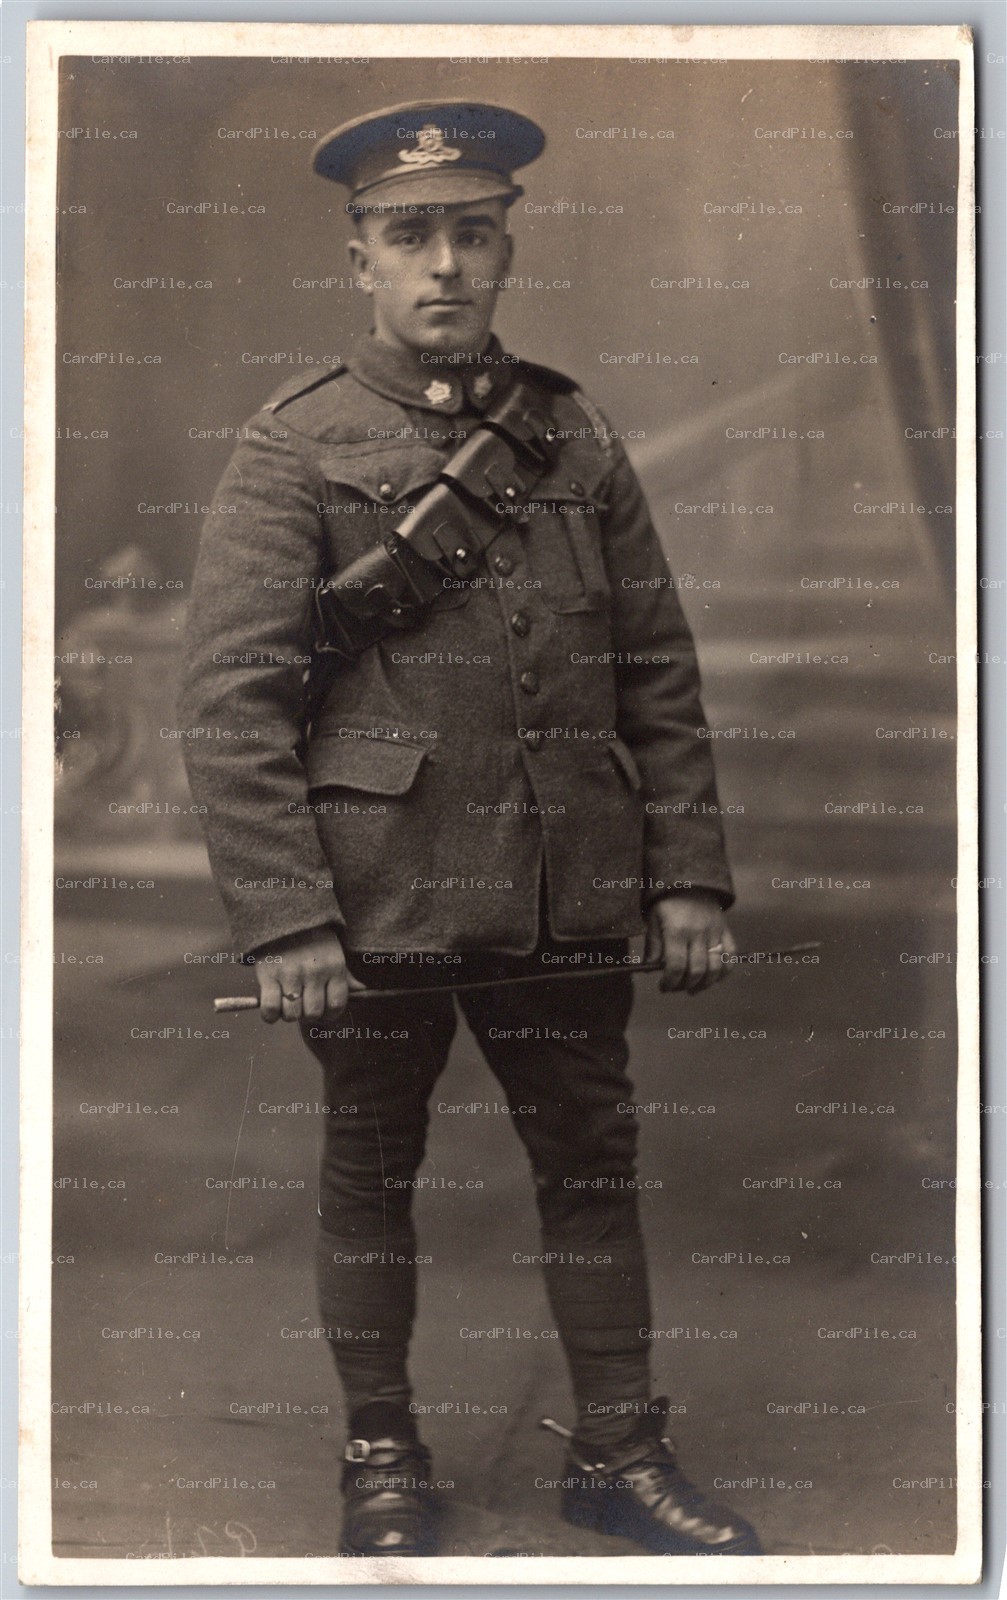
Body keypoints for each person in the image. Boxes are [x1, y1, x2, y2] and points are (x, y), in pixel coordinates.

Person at [180, 98, 761, 1559]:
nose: (444, 264)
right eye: (409, 235)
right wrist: (288, 917)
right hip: (374, 902)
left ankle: (618, 1453)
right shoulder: (294, 444)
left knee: (593, 1159)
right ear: (359, 257)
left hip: (570, 883)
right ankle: (381, 1456)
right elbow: (231, 703)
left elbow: (655, 666)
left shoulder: (569, 430)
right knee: (370, 1166)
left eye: (472, 234)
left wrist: (686, 872)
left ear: (505, 249)